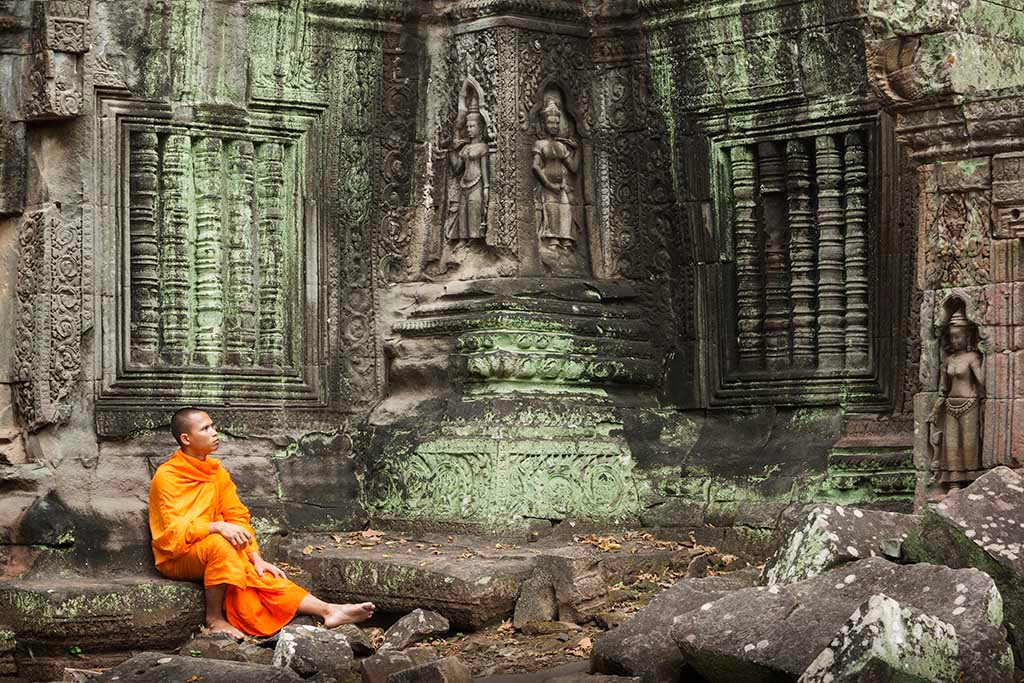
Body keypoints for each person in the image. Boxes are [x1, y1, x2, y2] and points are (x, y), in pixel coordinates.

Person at [149, 407, 375, 638]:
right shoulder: (167, 476)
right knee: (222, 545)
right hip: (177, 556)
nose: (215, 433)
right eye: (205, 428)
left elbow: (237, 516)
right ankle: (214, 618)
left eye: (213, 426)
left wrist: (256, 557)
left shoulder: (216, 473)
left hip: (214, 550)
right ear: (186, 438)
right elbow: (171, 533)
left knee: (260, 574)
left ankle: (329, 610)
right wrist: (215, 526)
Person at [927, 309, 986, 499]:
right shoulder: (949, 359)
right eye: (952, 337)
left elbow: (983, 381)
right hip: (951, 404)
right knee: (950, 444)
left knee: (968, 443)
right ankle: (953, 482)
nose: (955, 341)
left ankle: (970, 480)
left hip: (969, 403)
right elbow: (944, 387)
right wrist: (936, 409)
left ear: (967, 337)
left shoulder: (973, 358)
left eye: (958, 337)